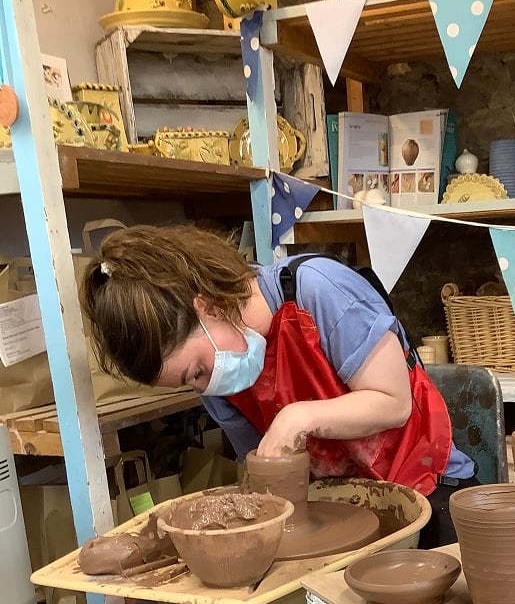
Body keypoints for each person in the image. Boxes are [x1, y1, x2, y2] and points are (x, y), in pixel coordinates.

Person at [80, 224, 479, 547]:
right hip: (334, 512)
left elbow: (394, 403)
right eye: (190, 384)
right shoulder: (219, 383)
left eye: (198, 371)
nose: (204, 386)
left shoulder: (316, 289)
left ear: (209, 307)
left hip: (429, 489)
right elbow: (268, 474)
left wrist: (298, 417)